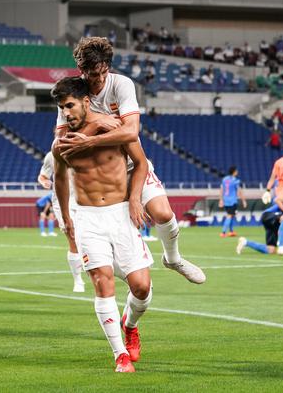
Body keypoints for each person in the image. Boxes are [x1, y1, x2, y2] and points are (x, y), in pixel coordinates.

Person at [55, 37, 205, 285]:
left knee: (163, 213)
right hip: (99, 177)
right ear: (82, 70)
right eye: (94, 74)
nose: (100, 79)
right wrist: (98, 123)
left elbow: (131, 132)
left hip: (133, 165)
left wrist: (89, 139)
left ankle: (173, 258)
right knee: (117, 256)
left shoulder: (121, 84)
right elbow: (60, 142)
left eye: (104, 72)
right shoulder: (74, 92)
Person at [51, 76, 153, 373]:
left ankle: (130, 324)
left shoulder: (115, 127)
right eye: (61, 108)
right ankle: (120, 354)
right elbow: (59, 180)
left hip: (121, 213)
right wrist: (67, 218)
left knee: (141, 287)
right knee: (102, 280)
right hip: (88, 219)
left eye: (70, 105)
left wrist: (135, 199)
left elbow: (142, 164)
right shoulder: (62, 143)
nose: (66, 113)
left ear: (86, 101)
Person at [38, 151, 85, 292]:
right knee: (71, 235)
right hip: (62, 200)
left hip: (85, 197)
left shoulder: (85, 150)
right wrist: (44, 181)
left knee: (87, 237)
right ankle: (78, 280)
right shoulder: (51, 155)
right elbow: (43, 175)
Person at [219, 166, 247, 238]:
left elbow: (221, 190)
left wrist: (221, 200)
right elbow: (239, 191)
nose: (237, 172)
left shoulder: (224, 179)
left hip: (226, 200)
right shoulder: (235, 180)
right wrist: (243, 201)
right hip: (232, 201)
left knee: (231, 215)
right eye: (236, 171)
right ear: (234, 172)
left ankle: (231, 231)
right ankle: (223, 232)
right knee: (229, 215)